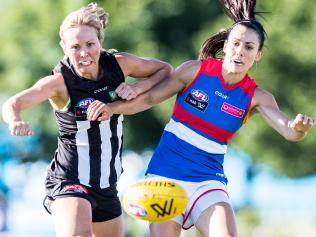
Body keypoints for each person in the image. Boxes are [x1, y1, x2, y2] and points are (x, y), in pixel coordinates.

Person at [85, 0, 315, 236]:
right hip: (166, 175)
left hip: (208, 180)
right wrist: (112, 108)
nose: (240, 52)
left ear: (258, 55)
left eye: (248, 47)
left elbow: (288, 130)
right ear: (225, 46)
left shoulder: (256, 97)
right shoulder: (194, 71)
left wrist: (298, 128)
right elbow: (149, 99)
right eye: (236, 44)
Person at [1, 3, 172, 237]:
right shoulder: (59, 82)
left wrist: (137, 87)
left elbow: (165, 70)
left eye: (90, 44)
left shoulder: (119, 64)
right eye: (75, 47)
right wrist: (15, 121)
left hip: (106, 185)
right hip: (69, 179)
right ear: (64, 47)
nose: (84, 53)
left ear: (100, 42)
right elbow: (13, 103)